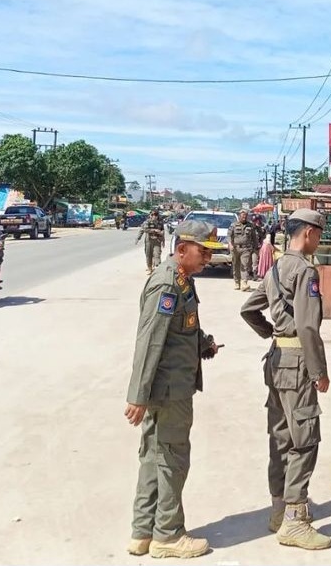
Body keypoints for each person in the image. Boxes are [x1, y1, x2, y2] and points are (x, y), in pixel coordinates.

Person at [124, 220, 221, 559]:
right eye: (203, 251)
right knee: (173, 459)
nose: (207, 257)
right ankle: (168, 534)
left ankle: (143, 531)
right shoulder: (167, 285)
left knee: (153, 455)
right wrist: (137, 395)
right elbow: (150, 341)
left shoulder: (182, 282)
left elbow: (181, 330)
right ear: (182, 250)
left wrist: (202, 344)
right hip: (169, 390)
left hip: (167, 387)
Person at [240, 209, 331, 551]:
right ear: (307, 233)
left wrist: (272, 333)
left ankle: (278, 509)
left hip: (276, 359)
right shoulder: (305, 268)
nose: (318, 240)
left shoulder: (277, 267)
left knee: (280, 436)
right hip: (296, 363)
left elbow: (248, 308)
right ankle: (295, 519)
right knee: (304, 438)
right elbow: (308, 326)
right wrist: (318, 370)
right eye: (318, 234)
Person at [228, 210, 260, 291]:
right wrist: (230, 244)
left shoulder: (250, 225)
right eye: (242, 216)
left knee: (244, 266)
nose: (244, 218)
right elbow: (229, 236)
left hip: (246, 249)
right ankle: (237, 282)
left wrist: (256, 247)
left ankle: (244, 282)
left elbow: (254, 237)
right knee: (236, 265)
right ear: (239, 216)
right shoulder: (233, 225)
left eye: (245, 216)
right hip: (235, 248)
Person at [136, 210, 165, 274]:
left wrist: (163, 240)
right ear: (150, 215)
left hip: (157, 241)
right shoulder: (147, 222)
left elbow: (163, 232)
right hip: (149, 241)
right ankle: (150, 268)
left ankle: (157, 267)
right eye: (152, 215)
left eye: (156, 215)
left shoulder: (160, 223)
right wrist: (138, 238)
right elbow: (144, 230)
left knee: (157, 254)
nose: (154, 216)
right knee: (148, 255)